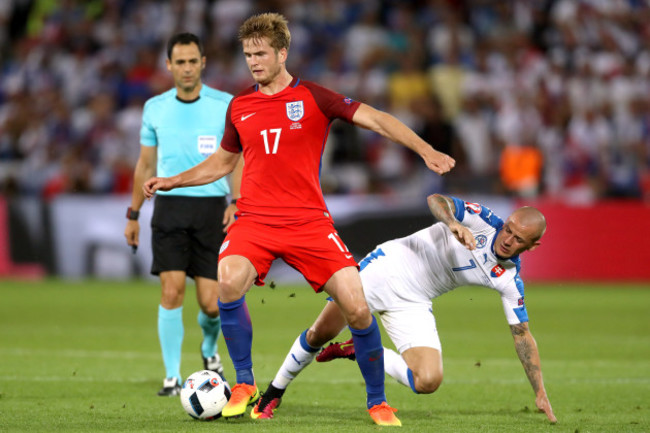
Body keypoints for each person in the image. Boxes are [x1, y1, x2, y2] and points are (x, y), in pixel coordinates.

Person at [142, 13, 455, 425]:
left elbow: (377, 118)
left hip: (309, 223)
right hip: (255, 221)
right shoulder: (240, 106)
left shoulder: (315, 98)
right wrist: (173, 180)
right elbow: (221, 162)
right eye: (247, 54)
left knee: (358, 308)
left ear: (282, 53)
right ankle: (245, 384)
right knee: (228, 280)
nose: (253, 62)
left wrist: (424, 149)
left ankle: (377, 401)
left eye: (261, 53)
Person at [255, 193, 558, 424]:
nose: (507, 239)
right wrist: (452, 222)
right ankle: (273, 393)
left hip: (415, 301)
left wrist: (539, 390)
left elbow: (522, 335)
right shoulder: (481, 219)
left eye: (519, 239)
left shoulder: (508, 280)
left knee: (428, 380)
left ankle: (357, 349)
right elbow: (436, 199)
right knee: (320, 332)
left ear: (532, 246)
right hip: (385, 269)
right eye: (508, 230)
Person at [124, 32, 238, 397]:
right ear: (169, 65)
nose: (187, 68)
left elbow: (237, 161)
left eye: (193, 61)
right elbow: (145, 165)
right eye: (180, 62)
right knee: (171, 292)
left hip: (212, 212)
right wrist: (132, 214)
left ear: (203, 62)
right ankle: (172, 377)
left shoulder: (225, 105)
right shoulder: (155, 108)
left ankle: (208, 350)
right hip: (170, 210)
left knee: (211, 303)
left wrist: (237, 202)